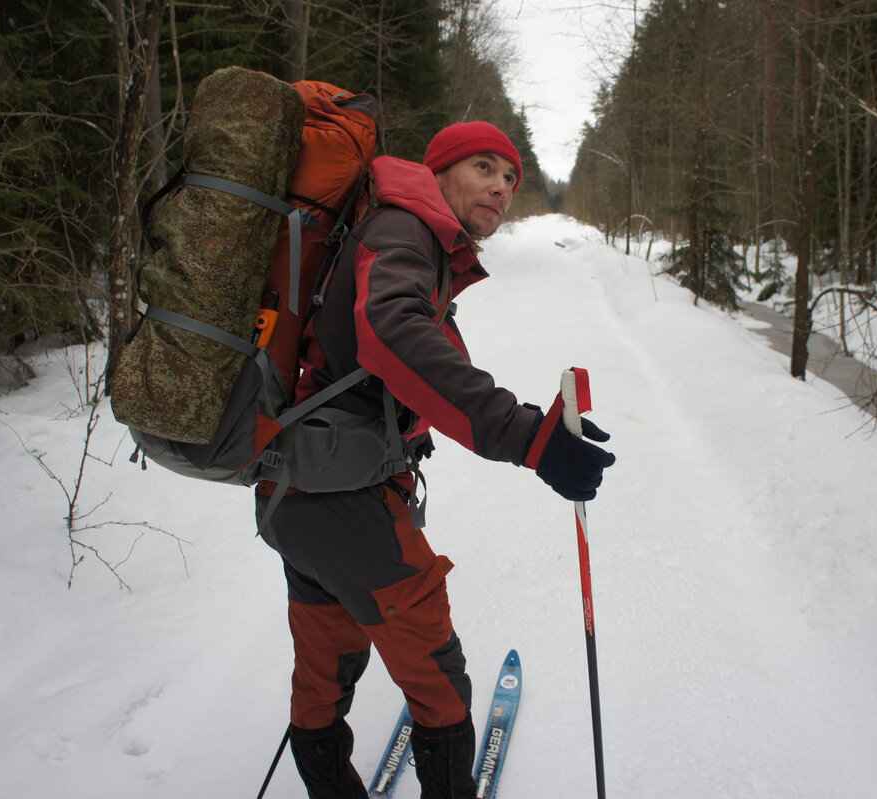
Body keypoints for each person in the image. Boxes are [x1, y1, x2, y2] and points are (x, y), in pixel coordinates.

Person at [254, 120, 616, 799]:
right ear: (439, 170)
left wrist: (525, 431)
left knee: (324, 669)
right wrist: (528, 436)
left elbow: (427, 370)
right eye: (484, 167)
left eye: (510, 177)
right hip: (347, 500)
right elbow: (395, 336)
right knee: (440, 682)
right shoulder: (403, 228)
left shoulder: (398, 235)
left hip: (294, 493)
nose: (502, 187)